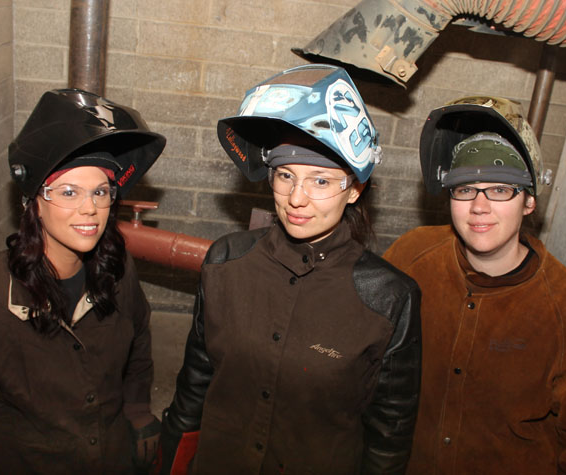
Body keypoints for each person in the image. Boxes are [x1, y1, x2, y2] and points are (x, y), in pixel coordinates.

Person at [156, 64, 421, 474]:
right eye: (285, 176)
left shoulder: (388, 297)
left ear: (354, 189)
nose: (297, 198)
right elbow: (195, 383)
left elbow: (389, 434)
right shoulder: (227, 262)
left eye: (320, 181)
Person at [0, 89, 167, 473]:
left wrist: (135, 408)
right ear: (33, 201)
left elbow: (139, 338)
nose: (90, 208)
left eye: (100, 192)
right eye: (69, 192)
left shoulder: (117, 271)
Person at [383, 96, 566, 474]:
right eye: (465, 189)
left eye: (499, 190)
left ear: (529, 201)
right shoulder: (409, 257)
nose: (479, 206)